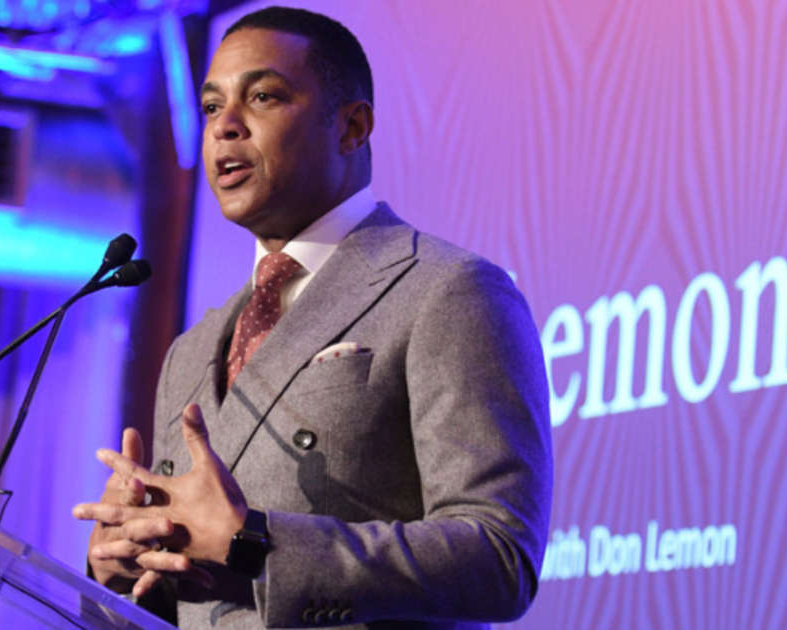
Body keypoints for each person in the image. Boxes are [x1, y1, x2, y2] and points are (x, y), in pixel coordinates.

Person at [73, 6, 552, 628]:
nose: (225, 128)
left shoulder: (449, 292)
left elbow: (499, 557)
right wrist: (125, 564)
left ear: (352, 127)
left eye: (264, 96)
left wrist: (254, 544)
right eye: (213, 107)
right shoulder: (191, 351)